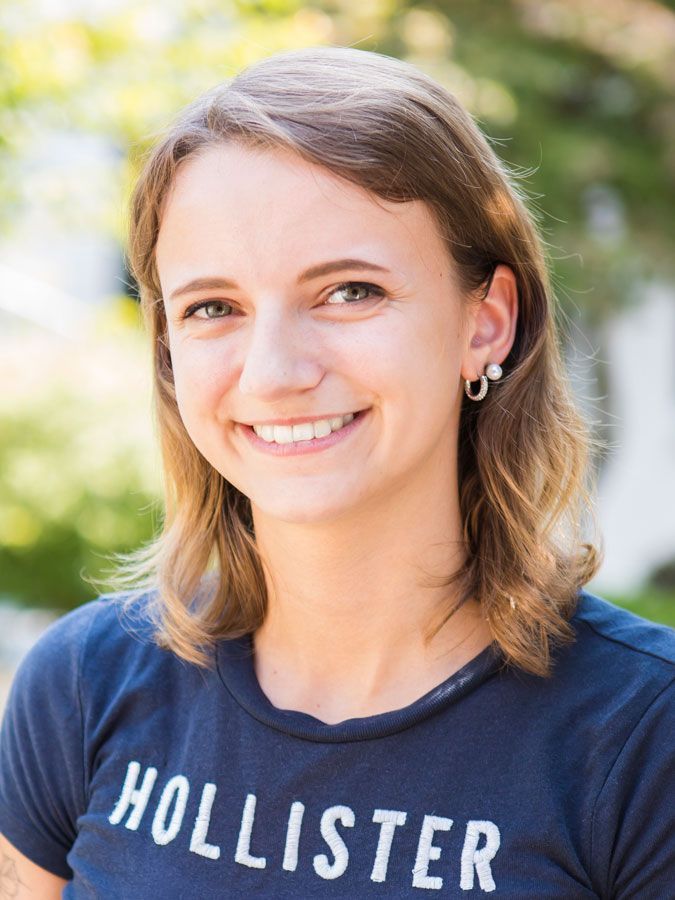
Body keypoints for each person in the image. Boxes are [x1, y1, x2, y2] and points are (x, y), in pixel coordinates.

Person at [1, 45, 674, 899]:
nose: (273, 370)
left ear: (485, 323)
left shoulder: (643, 737)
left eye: (349, 291)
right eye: (213, 308)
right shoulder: (83, 684)